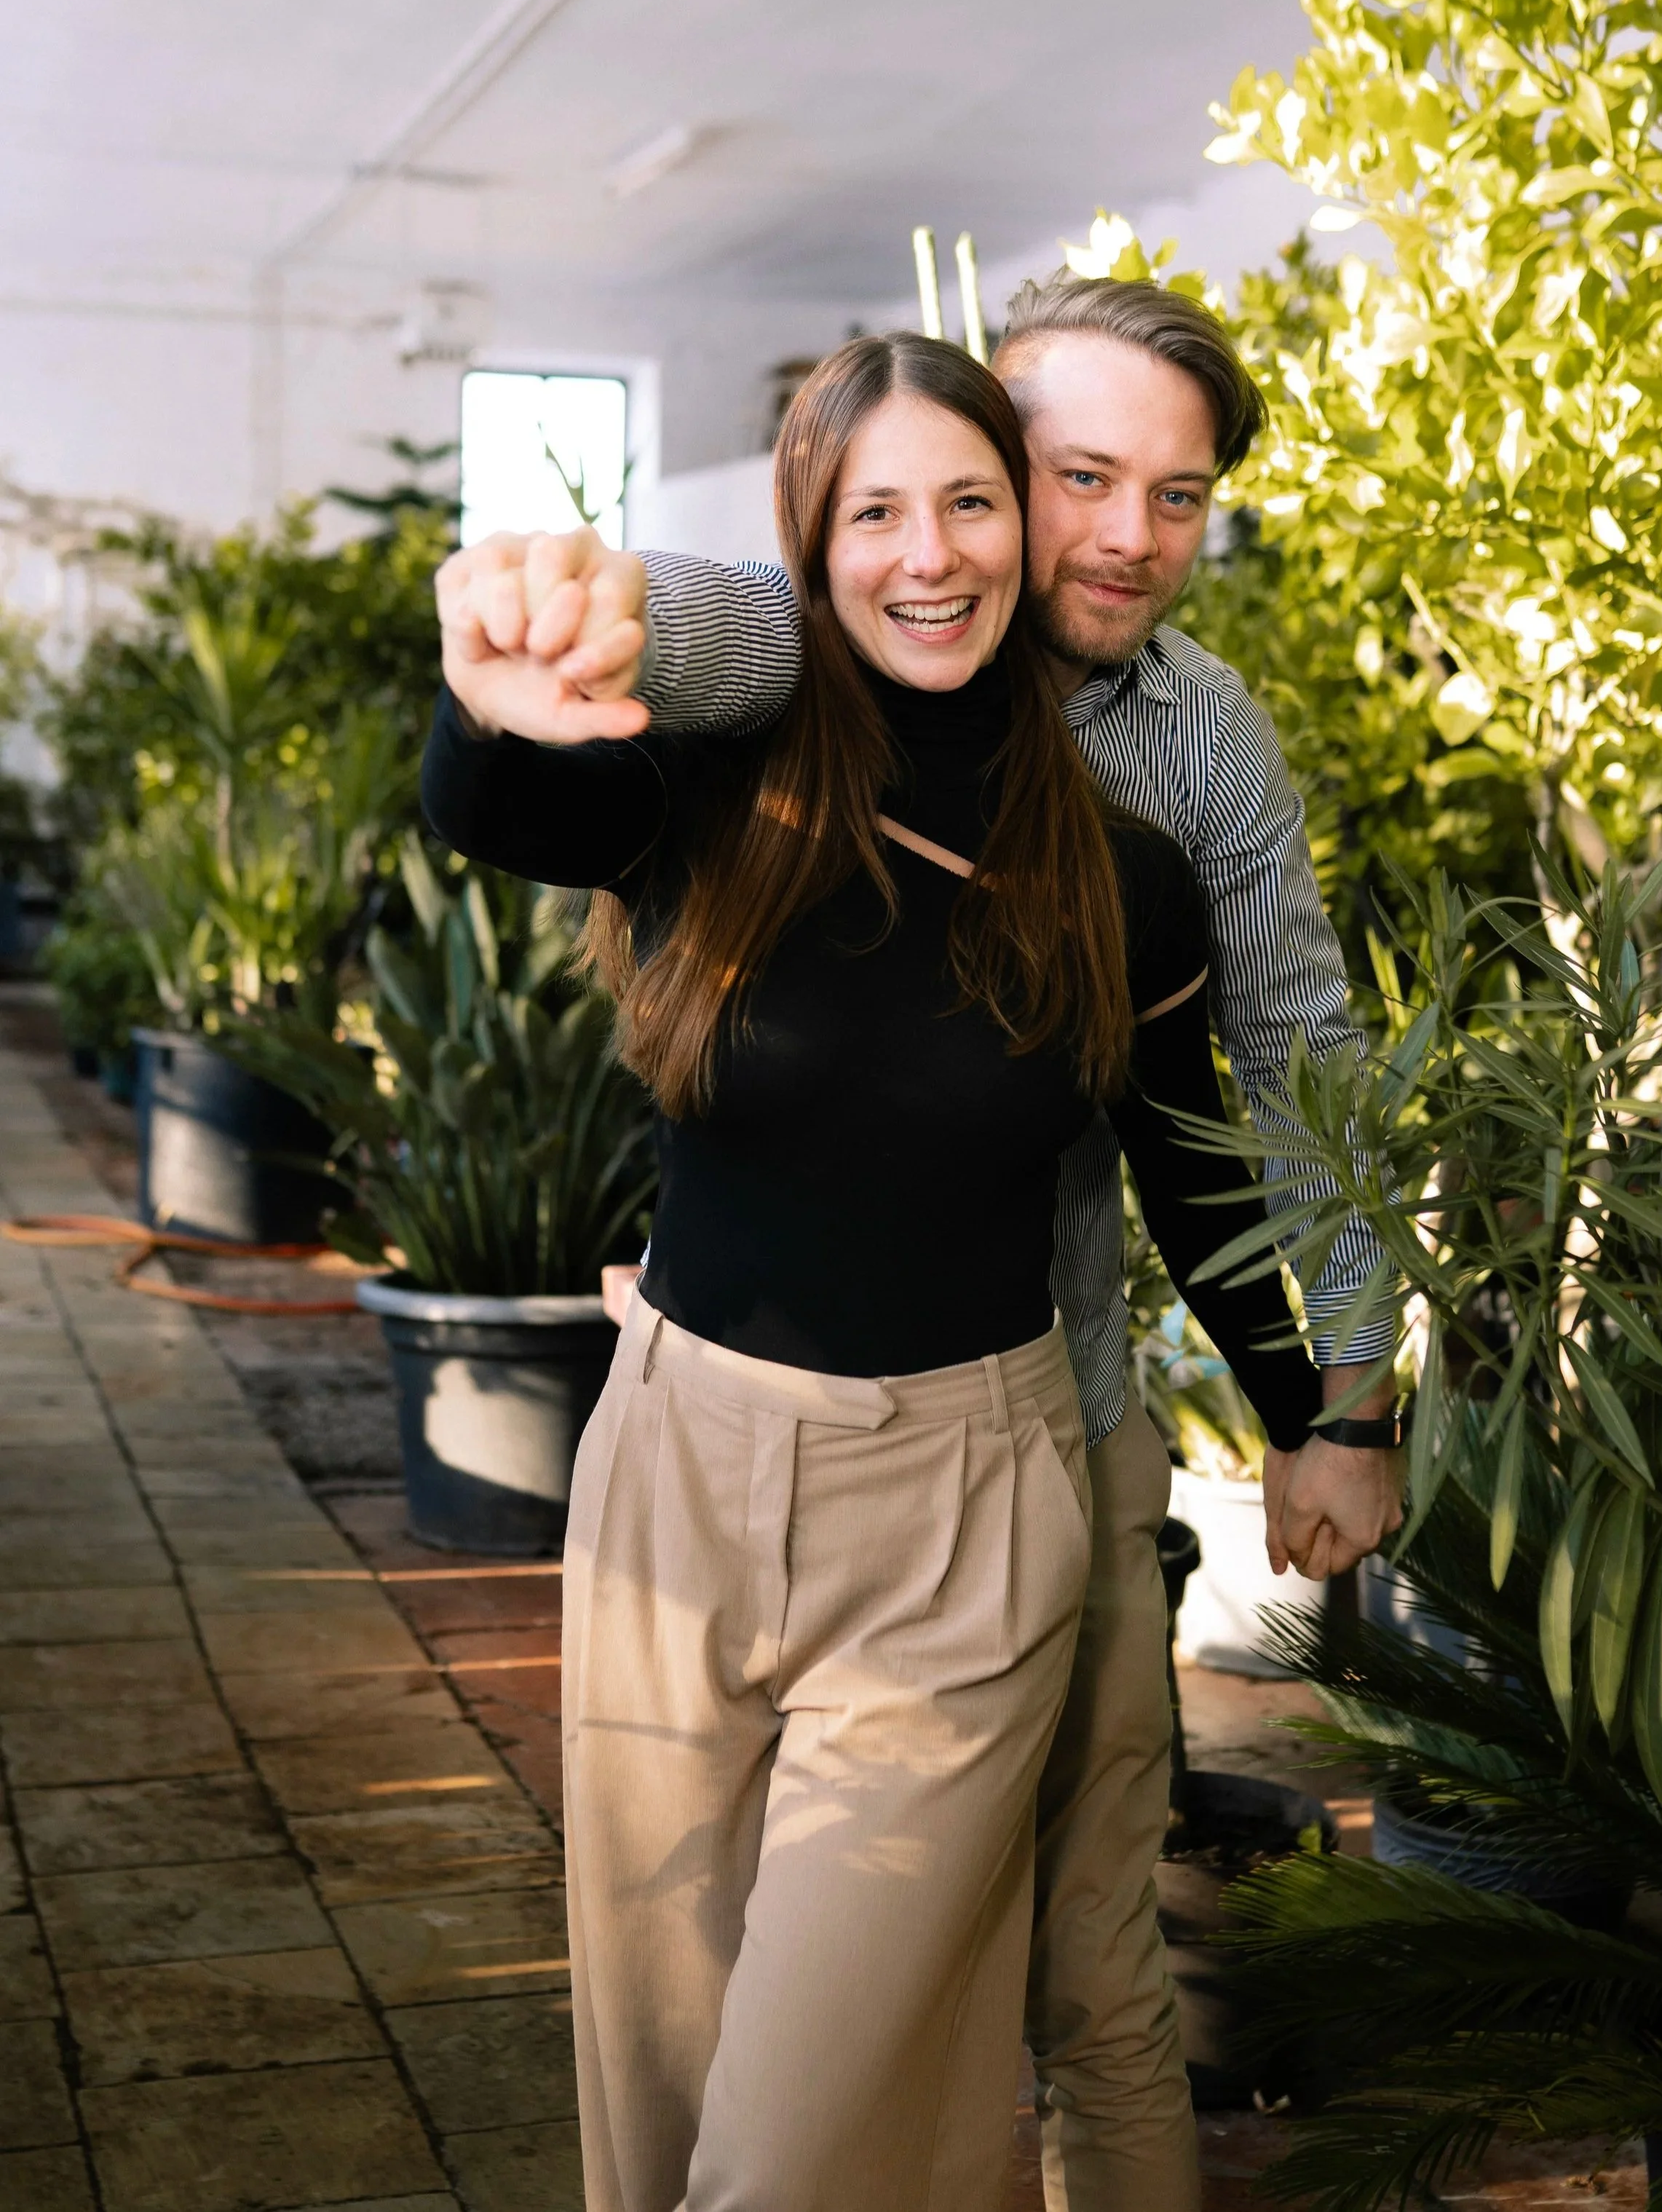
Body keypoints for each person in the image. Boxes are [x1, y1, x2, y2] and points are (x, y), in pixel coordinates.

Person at [424, 331, 1326, 2212]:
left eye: (972, 501)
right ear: (809, 548)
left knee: (812, 2146)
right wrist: (496, 685)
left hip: (963, 1510)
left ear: (1020, 522)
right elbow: (512, 810)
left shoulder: (1125, 864)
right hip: (680, 1467)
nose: (932, 555)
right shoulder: (712, 772)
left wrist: (1323, 1408)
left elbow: (1192, 1155)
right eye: (876, 511)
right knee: (661, 2093)